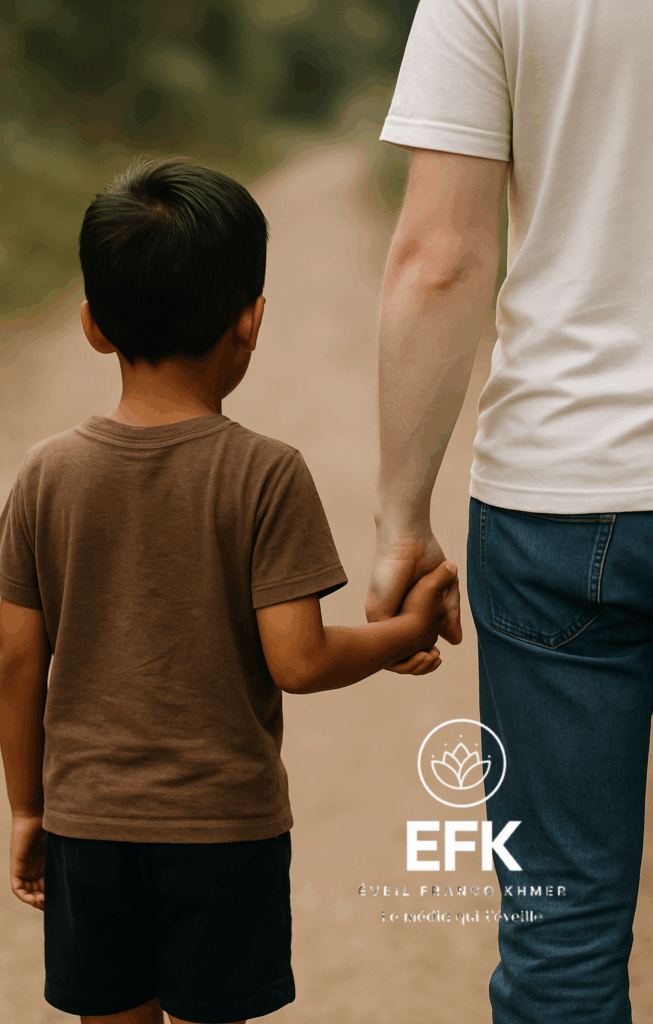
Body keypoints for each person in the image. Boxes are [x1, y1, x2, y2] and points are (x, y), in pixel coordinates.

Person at [0, 156, 461, 1024]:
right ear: (251, 322)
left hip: (89, 829)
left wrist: (28, 806)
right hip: (222, 836)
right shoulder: (266, 475)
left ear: (92, 325)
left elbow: (18, 660)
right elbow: (300, 660)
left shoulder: (47, 474)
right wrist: (406, 629)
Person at [365, 0, 653, 1021]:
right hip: (558, 503)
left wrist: (401, 515)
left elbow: (440, 256)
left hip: (558, 498)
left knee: (560, 923)